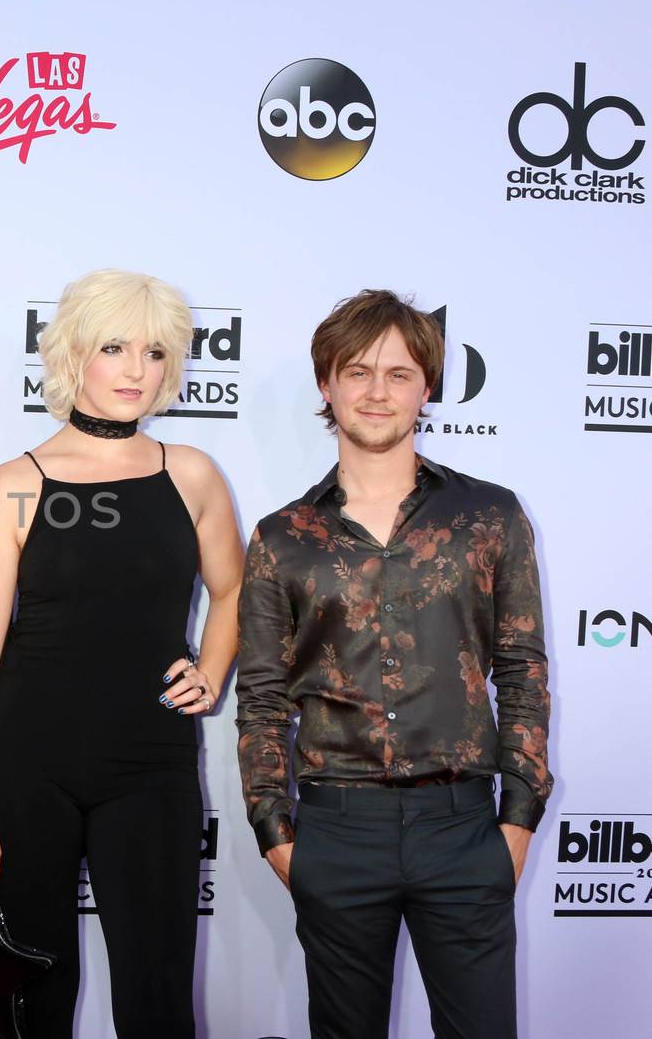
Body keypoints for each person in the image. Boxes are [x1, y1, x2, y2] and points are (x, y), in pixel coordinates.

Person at [235, 289, 552, 1039]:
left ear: (428, 387)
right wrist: (276, 831)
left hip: (466, 829)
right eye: (358, 371)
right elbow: (262, 698)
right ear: (327, 385)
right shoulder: (283, 537)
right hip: (338, 831)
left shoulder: (489, 515)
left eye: (399, 373)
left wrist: (516, 822)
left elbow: (523, 669)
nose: (378, 391)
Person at [0, 269, 243, 1037]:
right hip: (29, 770)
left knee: (157, 996)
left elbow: (236, 591)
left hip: (152, 767)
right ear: (75, 354)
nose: (136, 370)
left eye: (153, 352)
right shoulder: (14, 483)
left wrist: (212, 669)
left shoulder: (192, 475)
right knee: (34, 997)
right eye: (115, 347)